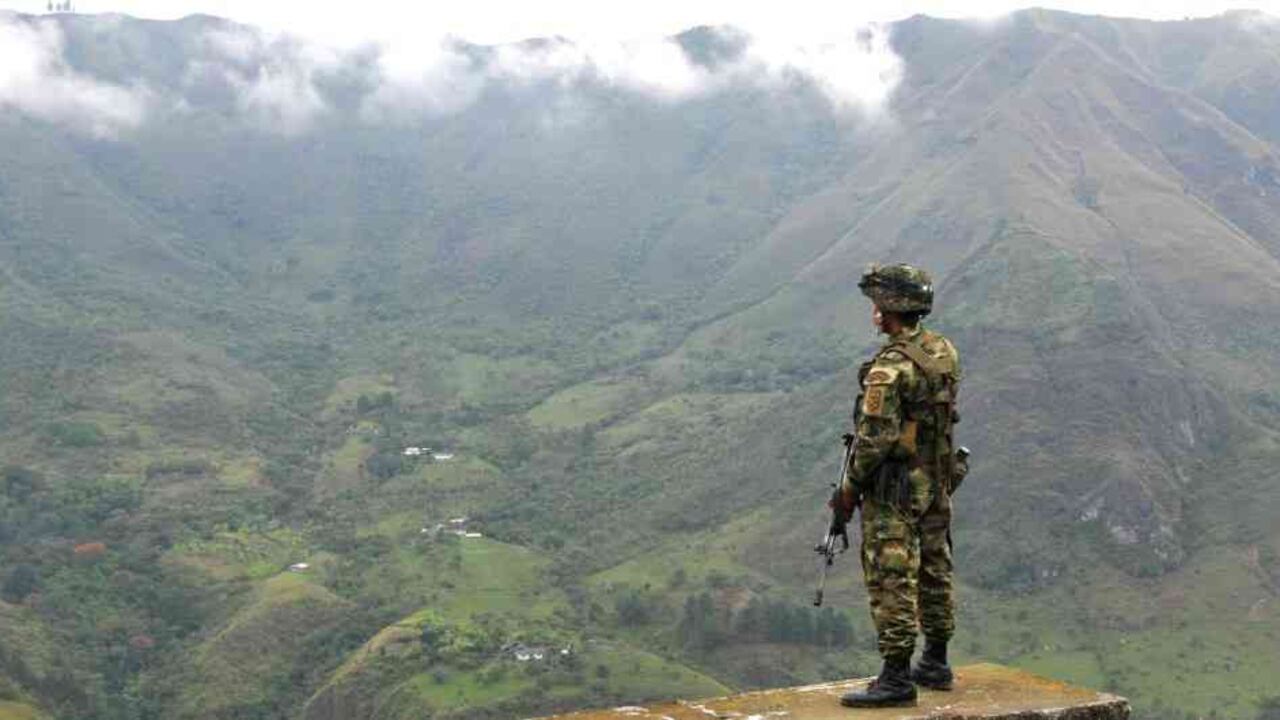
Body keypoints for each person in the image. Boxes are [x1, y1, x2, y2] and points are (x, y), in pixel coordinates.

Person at [836, 263, 963, 708]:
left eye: (877, 305)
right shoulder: (943, 350)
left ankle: (895, 677)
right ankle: (936, 661)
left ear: (889, 309)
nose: (873, 313)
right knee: (935, 566)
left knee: (892, 576)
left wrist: (849, 489)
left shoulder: (888, 369)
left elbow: (874, 439)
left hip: (895, 489)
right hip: (937, 481)